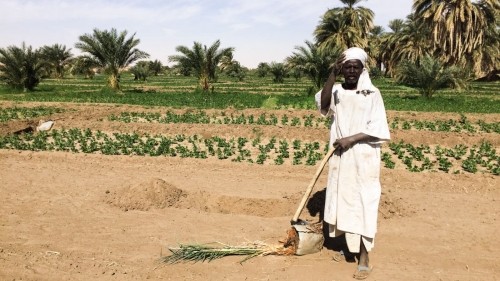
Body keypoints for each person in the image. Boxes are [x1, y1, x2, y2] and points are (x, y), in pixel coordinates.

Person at [315, 47, 390, 280]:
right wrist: (331, 75)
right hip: (342, 157)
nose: (351, 71)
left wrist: (352, 138)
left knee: (365, 202)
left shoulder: (372, 94)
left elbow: (379, 128)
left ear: (362, 69)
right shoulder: (336, 91)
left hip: (364, 157)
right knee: (345, 201)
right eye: (347, 67)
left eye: (355, 67)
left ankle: (365, 257)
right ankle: (349, 248)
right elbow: (323, 105)